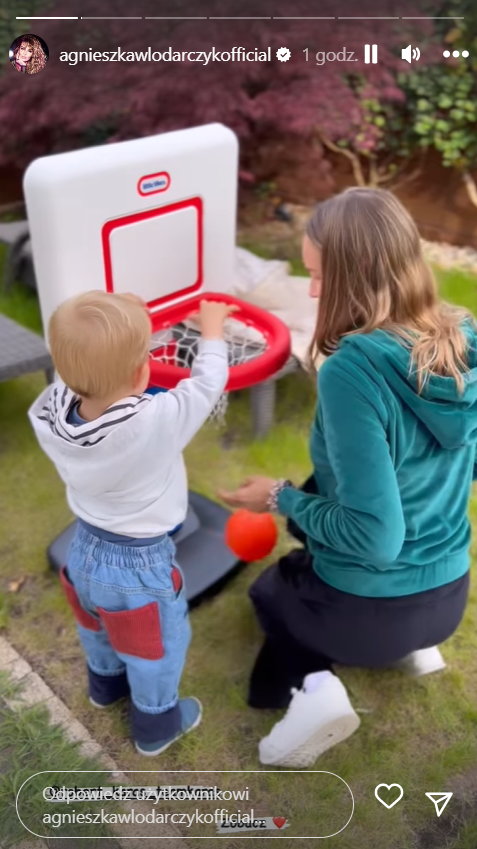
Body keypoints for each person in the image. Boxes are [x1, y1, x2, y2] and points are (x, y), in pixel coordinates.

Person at [220, 187, 477, 769]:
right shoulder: (465, 338)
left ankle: (317, 692)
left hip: (363, 617)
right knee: (319, 504)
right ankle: (420, 651)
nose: (312, 290)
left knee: (271, 590)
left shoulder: (351, 371)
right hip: (448, 597)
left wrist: (280, 496)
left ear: (357, 277)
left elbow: (377, 538)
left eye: (319, 276)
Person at [29, 290, 233, 756]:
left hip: (84, 550)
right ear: (143, 371)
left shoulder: (51, 410)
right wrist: (214, 331)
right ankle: (157, 725)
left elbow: (85, 366)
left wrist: (121, 322)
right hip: (139, 566)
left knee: (96, 626)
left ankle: (104, 688)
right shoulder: (153, 422)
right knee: (154, 649)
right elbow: (206, 384)